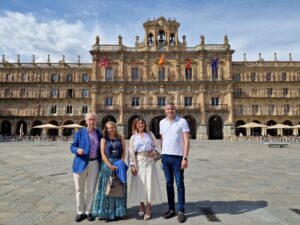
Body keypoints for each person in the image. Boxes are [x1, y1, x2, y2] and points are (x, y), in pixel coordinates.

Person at [159, 103, 190, 223]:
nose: (170, 111)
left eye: (172, 109)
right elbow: (162, 139)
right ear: (165, 110)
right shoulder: (162, 122)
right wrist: (162, 154)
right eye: (167, 109)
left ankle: (181, 210)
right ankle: (171, 209)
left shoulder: (182, 121)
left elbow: (187, 140)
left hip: (178, 157)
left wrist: (185, 157)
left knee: (179, 184)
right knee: (168, 184)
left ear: (175, 110)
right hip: (166, 157)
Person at [70, 112, 102, 222]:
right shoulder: (79, 133)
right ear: (86, 121)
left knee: (91, 189)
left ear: (96, 121)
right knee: (79, 189)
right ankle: (80, 211)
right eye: (90, 119)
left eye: (93, 119)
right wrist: (77, 150)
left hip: (94, 163)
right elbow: (72, 146)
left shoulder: (99, 133)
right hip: (81, 162)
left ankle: (89, 211)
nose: (92, 121)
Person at [93, 121, 127, 222]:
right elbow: (102, 154)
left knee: (119, 187)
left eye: (112, 127)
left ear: (115, 128)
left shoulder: (121, 138)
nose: (110, 129)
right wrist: (109, 165)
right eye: (108, 128)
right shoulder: (103, 139)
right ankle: (106, 213)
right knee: (107, 188)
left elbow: (124, 152)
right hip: (107, 165)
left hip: (118, 164)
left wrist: (120, 162)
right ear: (106, 129)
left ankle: (119, 212)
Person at [128, 117, 161, 220]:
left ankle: (149, 207)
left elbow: (157, 146)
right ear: (135, 125)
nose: (140, 125)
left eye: (142, 123)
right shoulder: (133, 137)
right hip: (139, 161)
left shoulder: (150, 134)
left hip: (150, 161)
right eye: (138, 124)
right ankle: (141, 205)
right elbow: (131, 152)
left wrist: (155, 151)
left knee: (149, 183)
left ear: (144, 124)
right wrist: (132, 165)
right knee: (140, 184)